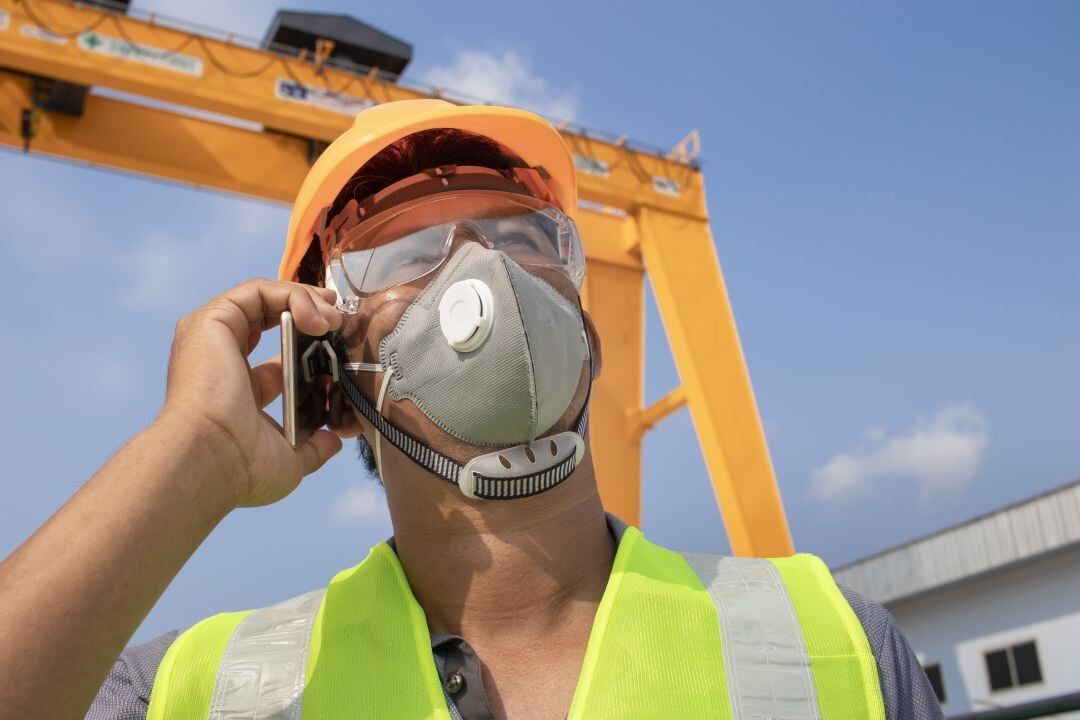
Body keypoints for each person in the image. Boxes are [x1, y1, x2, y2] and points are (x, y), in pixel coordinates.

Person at [0, 99, 943, 720]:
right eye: (403, 257)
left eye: (524, 237)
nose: (482, 270)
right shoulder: (200, 691)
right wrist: (194, 452)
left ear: (586, 328)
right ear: (327, 363)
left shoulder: (837, 648)